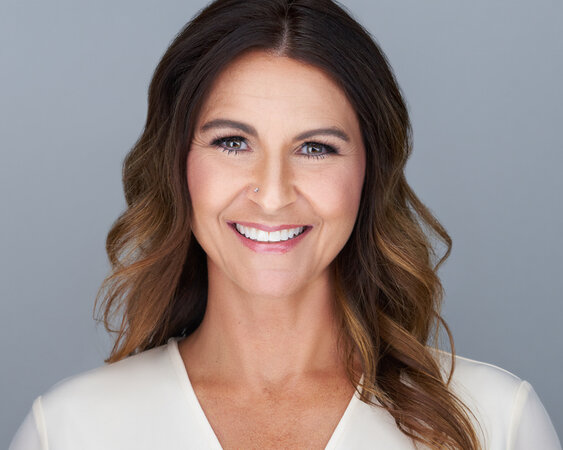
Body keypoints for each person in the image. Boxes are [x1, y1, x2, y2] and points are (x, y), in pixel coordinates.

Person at [10, 0, 561, 449]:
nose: (272, 195)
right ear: (177, 165)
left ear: (370, 175)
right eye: (233, 142)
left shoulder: (495, 421)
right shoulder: (69, 430)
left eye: (315, 148)